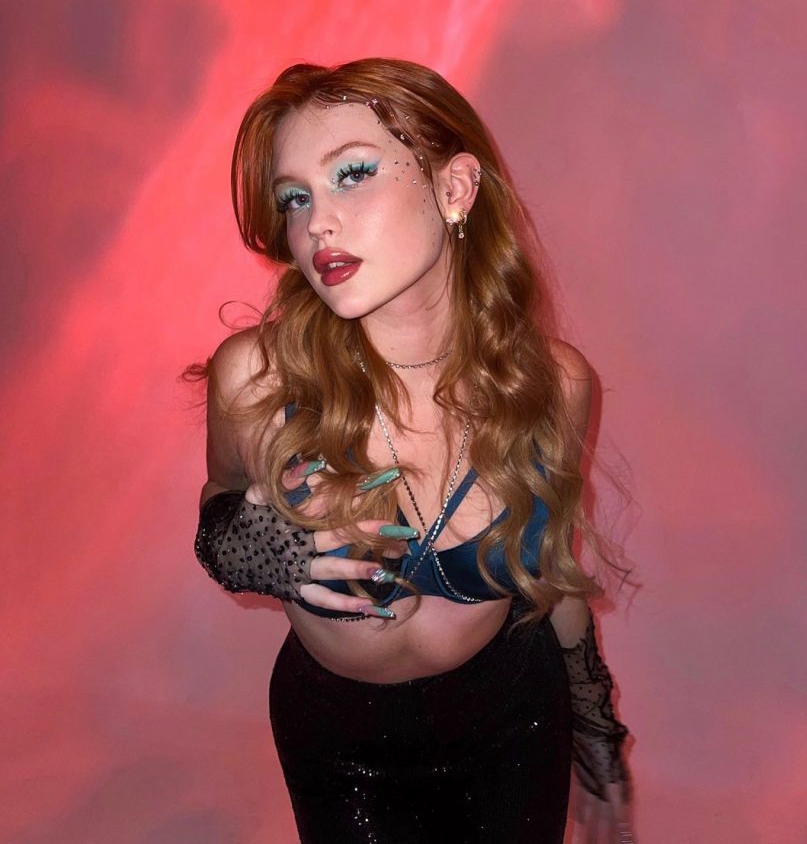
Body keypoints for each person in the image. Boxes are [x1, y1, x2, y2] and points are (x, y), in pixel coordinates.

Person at [191, 58, 633, 843]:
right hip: (339, 742)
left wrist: (593, 726)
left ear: (454, 188)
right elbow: (218, 503)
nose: (316, 224)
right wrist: (255, 547)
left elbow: (551, 574)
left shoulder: (554, 385)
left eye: (351, 174)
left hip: (515, 720)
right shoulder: (257, 378)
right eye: (295, 197)